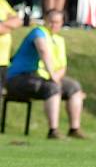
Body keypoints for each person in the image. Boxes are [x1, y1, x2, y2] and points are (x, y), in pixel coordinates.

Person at [5, 10, 86, 139]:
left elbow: (62, 65)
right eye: (50, 21)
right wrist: (53, 76)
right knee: (52, 87)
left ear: (62, 23)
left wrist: (57, 77)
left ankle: (74, 129)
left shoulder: (58, 40)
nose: (53, 25)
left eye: (57, 22)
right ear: (45, 21)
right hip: (19, 78)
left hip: (43, 78)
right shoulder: (38, 32)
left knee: (74, 87)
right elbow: (43, 51)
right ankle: (53, 131)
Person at [0, 0, 22, 85]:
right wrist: (8, 26)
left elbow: (18, 21)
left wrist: (3, 25)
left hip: (3, 60)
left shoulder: (2, 3)